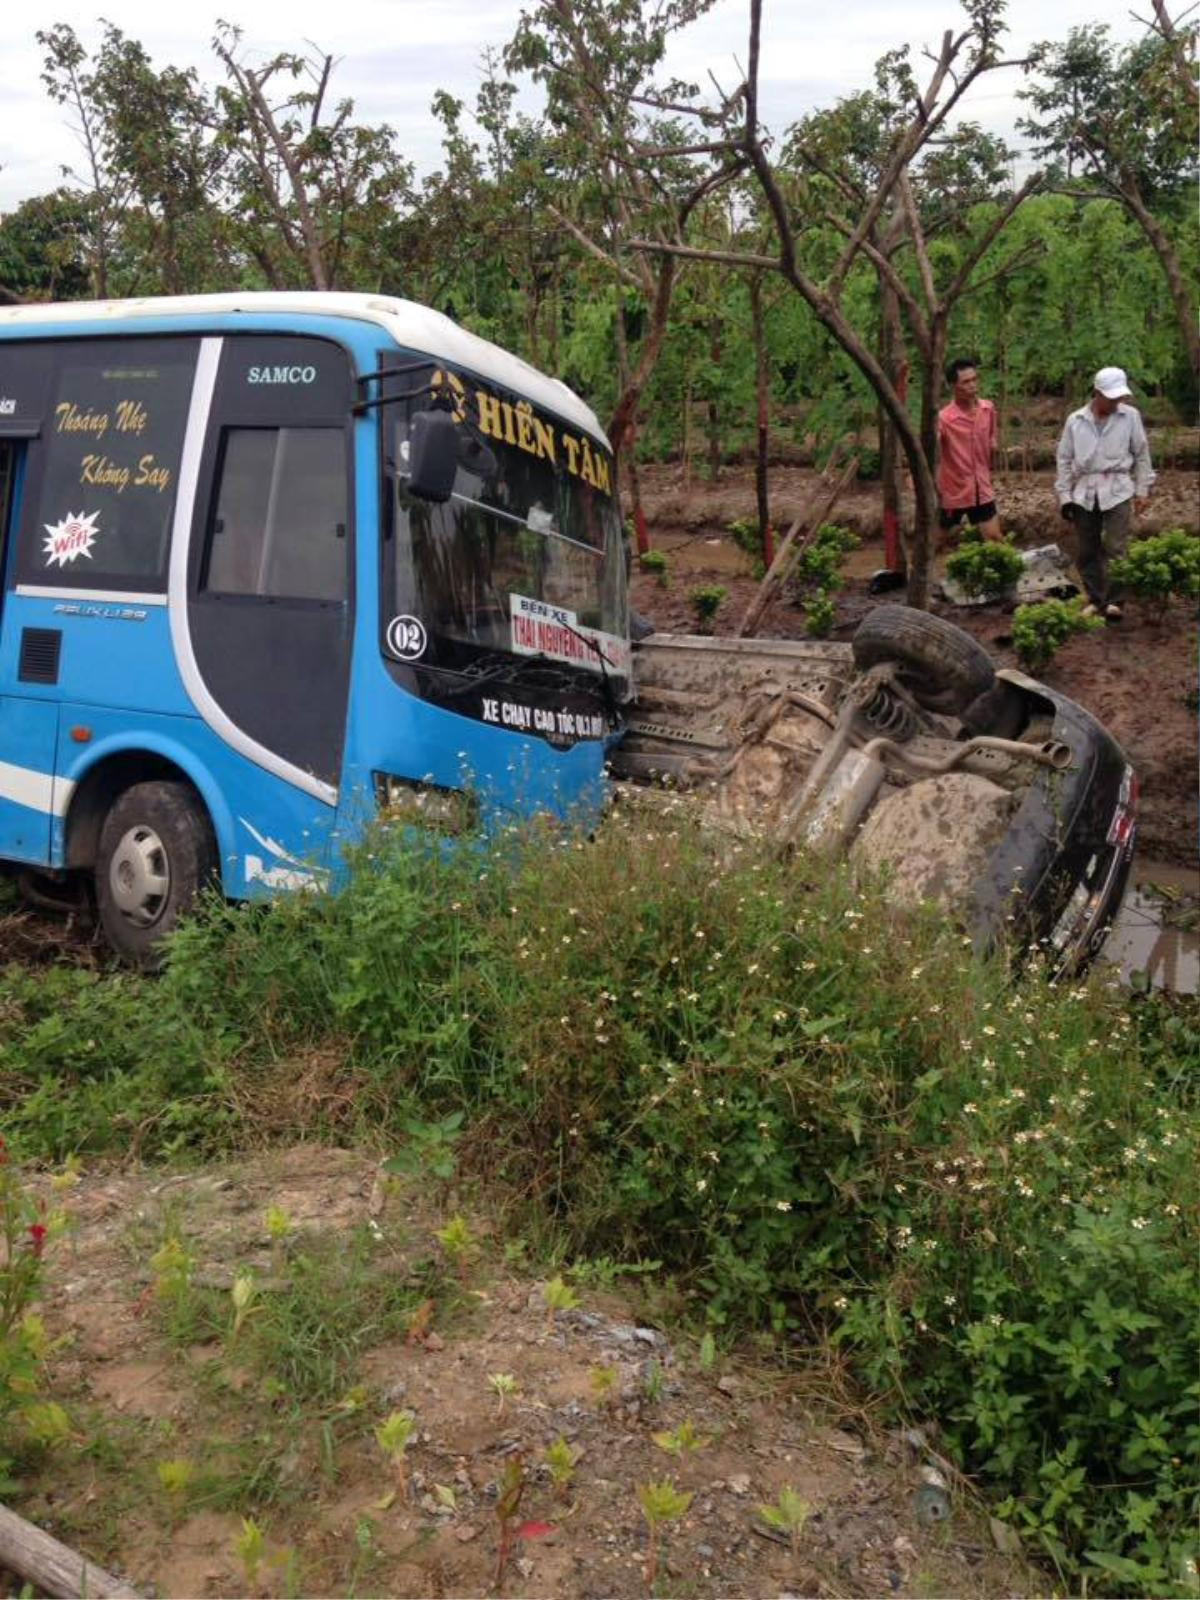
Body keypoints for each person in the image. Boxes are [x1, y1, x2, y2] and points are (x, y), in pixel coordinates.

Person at [1055, 366, 1154, 621]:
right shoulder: (1076, 421)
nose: (1115, 402)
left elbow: (1142, 454)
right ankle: (1095, 598)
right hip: (1084, 491)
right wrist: (1064, 496)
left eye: (1118, 398)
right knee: (1088, 548)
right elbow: (1064, 459)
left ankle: (1115, 601)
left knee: (1116, 546)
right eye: (1111, 398)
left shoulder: (1130, 416)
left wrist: (1143, 489)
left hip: (1118, 488)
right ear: (1097, 393)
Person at [937, 356, 1002, 545]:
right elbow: (930, 450)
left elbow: (992, 442)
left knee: (994, 538)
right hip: (954, 491)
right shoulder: (944, 419)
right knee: (937, 540)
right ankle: (915, 573)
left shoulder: (988, 409)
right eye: (966, 382)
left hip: (981, 489)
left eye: (975, 379)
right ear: (953, 386)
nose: (972, 385)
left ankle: (999, 572)